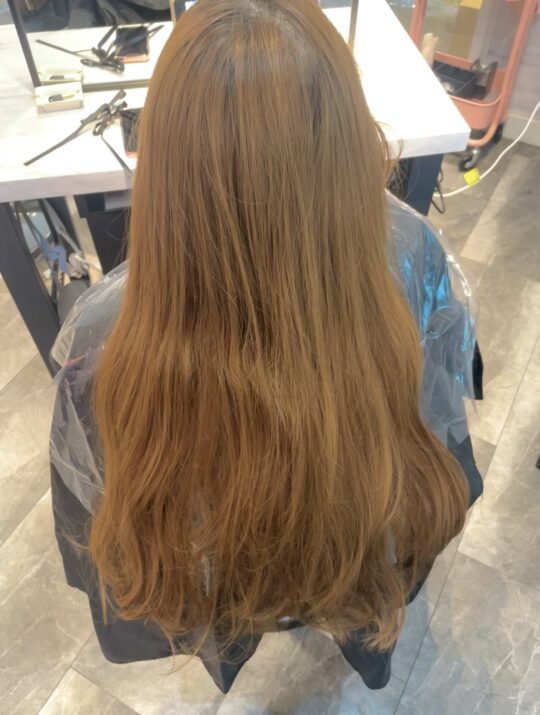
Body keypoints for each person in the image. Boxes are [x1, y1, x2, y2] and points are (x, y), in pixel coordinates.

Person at [50, 0, 483, 695]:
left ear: (161, 162)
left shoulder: (100, 339)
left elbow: (105, 554)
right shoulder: (414, 255)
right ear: (347, 139)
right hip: (356, 532)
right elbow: (447, 431)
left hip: (218, 569)